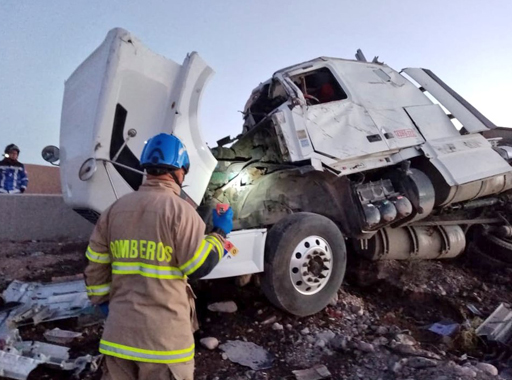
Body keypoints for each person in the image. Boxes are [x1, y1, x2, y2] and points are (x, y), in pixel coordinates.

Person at [84, 133, 233, 380]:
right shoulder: (182, 213)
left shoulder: (114, 211)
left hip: (118, 338)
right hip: (165, 345)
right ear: (180, 171)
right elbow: (198, 266)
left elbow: (94, 265)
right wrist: (220, 233)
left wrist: (103, 303)